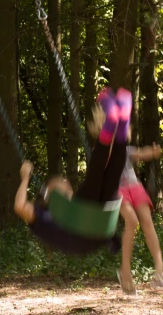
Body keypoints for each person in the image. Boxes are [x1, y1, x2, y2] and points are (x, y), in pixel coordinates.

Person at [13, 86, 136, 256]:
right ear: (51, 194)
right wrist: (25, 177)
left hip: (95, 226)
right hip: (84, 228)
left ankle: (119, 124)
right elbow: (20, 206)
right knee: (98, 178)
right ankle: (114, 123)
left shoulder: (71, 207)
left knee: (110, 177)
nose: (66, 182)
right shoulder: (43, 216)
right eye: (61, 182)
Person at [116, 143, 163, 296]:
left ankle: (159, 269)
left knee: (147, 221)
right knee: (131, 221)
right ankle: (125, 271)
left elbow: (140, 153)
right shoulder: (101, 152)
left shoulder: (124, 149)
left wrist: (153, 152)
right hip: (116, 189)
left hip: (134, 186)